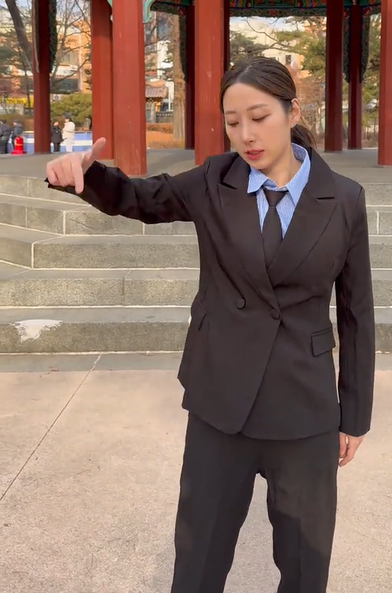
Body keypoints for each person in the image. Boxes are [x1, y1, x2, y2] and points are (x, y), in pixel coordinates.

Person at [46, 57, 375, 593]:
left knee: (305, 566)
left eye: (259, 117)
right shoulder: (214, 180)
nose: (246, 135)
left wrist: (354, 415)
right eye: (232, 121)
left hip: (305, 407)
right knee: (199, 560)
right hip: (221, 401)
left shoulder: (343, 198)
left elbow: (358, 313)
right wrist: (87, 176)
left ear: (292, 112)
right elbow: (141, 197)